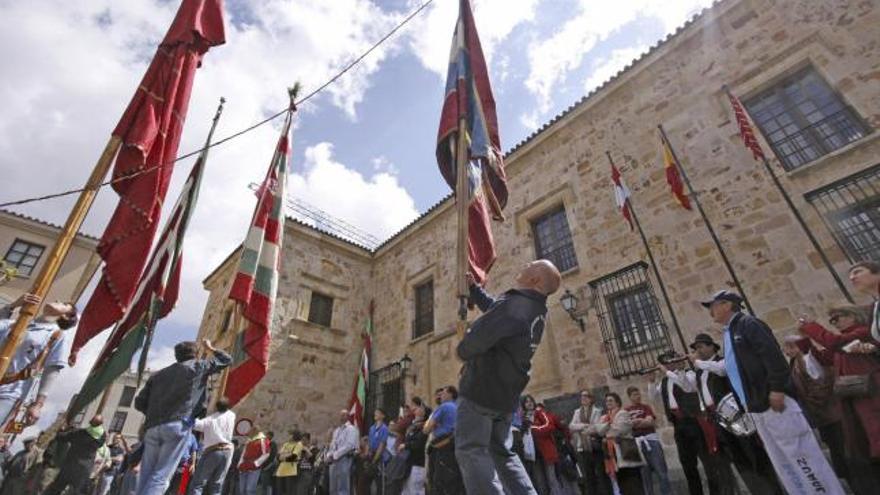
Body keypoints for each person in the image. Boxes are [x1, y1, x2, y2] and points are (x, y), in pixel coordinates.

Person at [702, 289, 844, 494]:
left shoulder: (749, 325)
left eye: (712, 305)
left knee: (801, 457)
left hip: (774, 404)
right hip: (757, 408)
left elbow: (773, 358)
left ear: (726, 305)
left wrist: (777, 390)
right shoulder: (730, 333)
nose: (710, 311)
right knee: (783, 463)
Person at [454, 259, 562, 495]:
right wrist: (475, 289)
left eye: (531, 264)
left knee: (472, 450)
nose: (525, 263)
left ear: (534, 280)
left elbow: (478, 339)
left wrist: (463, 348)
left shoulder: (517, 305)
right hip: (505, 398)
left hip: (481, 390)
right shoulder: (532, 308)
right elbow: (498, 311)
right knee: (503, 453)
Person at [798, 304, 880, 495]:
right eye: (832, 320)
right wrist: (805, 341)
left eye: (838, 317)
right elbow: (825, 357)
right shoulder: (844, 342)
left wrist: (811, 326)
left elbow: (834, 343)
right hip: (855, 401)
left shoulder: (862, 332)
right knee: (865, 445)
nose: (835, 322)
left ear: (852, 315)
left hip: (872, 397)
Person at [688, 333, 782, 495]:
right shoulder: (700, 371)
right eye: (696, 348)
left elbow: (721, 371)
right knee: (738, 458)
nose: (698, 350)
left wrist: (697, 362)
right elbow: (689, 387)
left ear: (712, 347)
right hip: (719, 419)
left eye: (701, 346)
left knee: (753, 454)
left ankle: (773, 490)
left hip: (737, 417)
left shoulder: (721, 362)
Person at [134, 339, 231, 495]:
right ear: (196, 354)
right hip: (178, 425)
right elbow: (226, 359)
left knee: (146, 474)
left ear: (176, 355)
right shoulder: (199, 366)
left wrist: (155, 414)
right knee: (161, 475)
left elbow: (139, 403)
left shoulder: (157, 375)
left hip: (152, 427)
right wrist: (210, 348)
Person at [0, 293, 78, 429]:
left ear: (66, 316)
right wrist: (13, 306)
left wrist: (38, 404)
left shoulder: (56, 335)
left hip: (9, 392)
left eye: (64, 304)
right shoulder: (16, 323)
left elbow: (51, 370)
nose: (58, 299)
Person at [648, 351, 718, 495]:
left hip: (694, 422)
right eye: (665, 363)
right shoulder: (664, 381)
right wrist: (651, 381)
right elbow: (653, 397)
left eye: (670, 361)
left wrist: (668, 372)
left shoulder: (689, 374)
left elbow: (686, 385)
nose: (668, 365)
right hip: (679, 425)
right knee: (687, 464)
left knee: (707, 461)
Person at [782, 336, 850, 482]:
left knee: (843, 451)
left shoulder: (806, 361)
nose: (785, 352)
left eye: (786, 348)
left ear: (794, 347)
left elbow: (821, 386)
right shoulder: (796, 363)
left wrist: (812, 400)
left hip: (829, 413)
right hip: (822, 416)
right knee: (837, 450)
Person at [43, 415, 107, 495]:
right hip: (83, 470)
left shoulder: (79, 433)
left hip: (69, 466)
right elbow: (102, 439)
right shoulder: (99, 440)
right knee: (78, 492)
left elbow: (63, 437)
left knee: (55, 489)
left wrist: (60, 431)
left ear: (90, 422)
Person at [595, 392, 643, 495]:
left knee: (633, 482)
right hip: (612, 454)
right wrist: (609, 426)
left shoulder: (623, 413)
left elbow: (619, 430)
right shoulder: (604, 417)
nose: (608, 402)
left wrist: (606, 430)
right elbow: (598, 430)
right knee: (622, 482)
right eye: (607, 401)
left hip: (625, 451)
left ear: (617, 402)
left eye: (611, 400)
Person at [624, 387, 670, 495]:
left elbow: (650, 422)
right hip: (638, 443)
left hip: (651, 440)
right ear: (630, 397)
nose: (638, 396)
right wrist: (640, 421)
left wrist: (637, 422)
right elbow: (627, 426)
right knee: (645, 475)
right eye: (635, 394)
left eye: (638, 394)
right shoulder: (626, 411)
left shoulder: (646, 407)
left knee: (661, 471)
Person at [190, 397, 237, 495]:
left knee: (198, 483)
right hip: (227, 451)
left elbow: (195, 424)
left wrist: (195, 413)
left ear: (216, 407)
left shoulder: (210, 420)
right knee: (217, 485)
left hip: (213, 451)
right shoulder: (231, 415)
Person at [569, 390, 611, 495]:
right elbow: (572, 426)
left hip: (595, 446)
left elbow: (597, 426)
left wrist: (586, 428)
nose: (583, 398)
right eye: (582, 396)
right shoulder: (577, 412)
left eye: (586, 396)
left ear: (591, 398)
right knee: (588, 476)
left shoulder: (597, 411)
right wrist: (584, 425)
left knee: (601, 474)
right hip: (583, 447)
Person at [424, 386, 463, 495]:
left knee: (439, 480)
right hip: (456, 444)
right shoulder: (459, 407)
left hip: (442, 446)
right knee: (454, 479)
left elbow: (426, 429)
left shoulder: (444, 407)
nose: (441, 396)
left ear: (450, 394)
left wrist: (433, 424)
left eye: (443, 393)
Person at [326, 410, 359, 495]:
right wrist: (329, 455)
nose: (341, 417)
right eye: (340, 415)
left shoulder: (351, 429)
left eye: (343, 415)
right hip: (333, 460)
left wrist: (335, 455)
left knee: (342, 486)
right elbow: (333, 444)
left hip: (344, 459)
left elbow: (349, 445)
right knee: (333, 487)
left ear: (347, 416)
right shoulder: (337, 430)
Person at [848, 261, 880, 345]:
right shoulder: (874, 307)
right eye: (850, 276)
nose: (852, 278)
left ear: (877, 273)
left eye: (857, 272)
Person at [401, 403, 428, 495]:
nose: (415, 409)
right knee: (406, 491)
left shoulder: (424, 426)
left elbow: (419, 444)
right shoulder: (413, 426)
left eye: (419, 408)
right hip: (408, 464)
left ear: (424, 413)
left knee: (416, 491)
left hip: (417, 464)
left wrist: (405, 445)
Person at [238, 426, 272, 495]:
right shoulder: (249, 440)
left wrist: (256, 463)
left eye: (251, 431)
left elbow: (266, 453)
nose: (249, 432)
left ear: (255, 431)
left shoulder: (263, 440)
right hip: (244, 466)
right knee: (242, 490)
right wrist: (240, 463)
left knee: (250, 490)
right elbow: (244, 452)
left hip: (254, 468)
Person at [276, 430, 304, 495]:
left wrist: (283, 456)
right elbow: (278, 456)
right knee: (279, 492)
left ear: (294, 435)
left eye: (290, 434)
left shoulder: (298, 444)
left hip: (291, 472)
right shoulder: (286, 444)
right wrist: (288, 454)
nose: (288, 436)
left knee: (290, 492)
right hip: (280, 471)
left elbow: (293, 457)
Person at [367, 408, 389, 492]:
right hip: (371, 455)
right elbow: (369, 442)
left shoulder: (384, 428)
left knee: (379, 482)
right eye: (375, 413)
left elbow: (382, 445)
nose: (375, 414)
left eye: (378, 413)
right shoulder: (372, 428)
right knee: (368, 482)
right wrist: (368, 453)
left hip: (379, 457)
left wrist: (375, 459)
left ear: (383, 416)